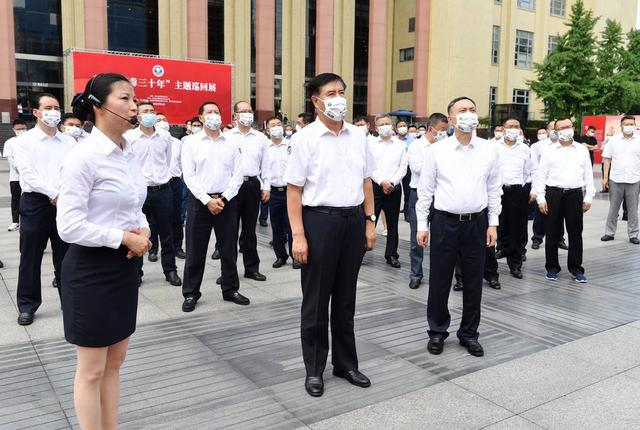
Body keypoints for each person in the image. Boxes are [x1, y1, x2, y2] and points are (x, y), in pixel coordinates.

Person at [57, 72, 152, 430]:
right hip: (90, 271)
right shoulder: (84, 157)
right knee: (92, 370)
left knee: (115, 362)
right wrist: (124, 238)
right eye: (125, 98)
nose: (134, 106)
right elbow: (68, 226)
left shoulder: (128, 153)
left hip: (124, 269)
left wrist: (143, 228)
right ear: (98, 107)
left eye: (135, 98)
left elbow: (133, 205)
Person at [285, 72, 376, 397]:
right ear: (316, 101)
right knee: (316, 300)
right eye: (331, 93)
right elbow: (293, 191)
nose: (338, 98)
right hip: (319, 222)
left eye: (342, 92)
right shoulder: (305, 139)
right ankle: (314, 369)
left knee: (346, 299)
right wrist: (298, 235)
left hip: (353, 221)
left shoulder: (358, 135)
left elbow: (366, 181)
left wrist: (369, 220)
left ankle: (346, 363)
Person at [416, 96, 501, 357]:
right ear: (451, 120)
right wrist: (422, 225)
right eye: (462, 110)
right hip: (444, 222)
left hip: (476, 223)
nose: (469, 114)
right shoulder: (436, 152)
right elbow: (425, 191)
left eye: (472, 110)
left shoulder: (489, 149)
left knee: (474, 281)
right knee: (440, 280)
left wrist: (493, 223)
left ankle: (469, 333)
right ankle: (437, 332)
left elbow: (494, 189)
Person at [13, 93, 74, 326]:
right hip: (36, 203)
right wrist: (54, 193)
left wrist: (63, 194)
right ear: (36, 112)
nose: (53, 111)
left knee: (66, 257)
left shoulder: (69, 141)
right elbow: (27, 174)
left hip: (64, 203)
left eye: (57, 107)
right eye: (48, 107)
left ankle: (69, 301)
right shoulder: (23, 142)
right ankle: (27, 305)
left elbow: (73, 171)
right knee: (30, 257)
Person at [181, 101, 248, 311]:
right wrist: (207, 200)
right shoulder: (191, 143)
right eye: (209, 112)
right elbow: (189, 176)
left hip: (226, 202)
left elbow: (238, 174)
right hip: (200, 202)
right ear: (201, 118)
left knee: (228, 249)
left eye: (217, 112)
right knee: (195, 250)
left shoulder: (231, 142)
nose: (214, 116)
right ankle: (191, 293)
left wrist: (224, 199)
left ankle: (230, 289)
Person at [125, 102, 182, 287]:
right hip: (140, 191)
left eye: (152, 111)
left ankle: (170, 270)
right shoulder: (129, 137)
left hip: (162, 190)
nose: (149, 114)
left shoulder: (165, 136)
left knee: (167, 232)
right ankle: (137, 272)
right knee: (139, 232)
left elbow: (166, 160)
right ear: (138, 116)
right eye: (145, 111)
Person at [532, 117, 595, 282]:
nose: (566, 129)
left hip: (574, 195)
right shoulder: (549, 150)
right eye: (561, 128)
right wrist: (541, 199)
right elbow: (540, 176)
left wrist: (588, 196)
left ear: (573, 128)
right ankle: (552, 267)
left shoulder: (581, 149)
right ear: (556, 131)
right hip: (553, 194)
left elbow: (588, 175)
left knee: (575, 233)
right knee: (552, 232)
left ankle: (576, 269)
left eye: (568, 126)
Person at [224, 101, 271, 282]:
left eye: (249, 111)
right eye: (242, 111)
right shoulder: (226, 137)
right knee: (229, 231)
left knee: (250, 230)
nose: (247, 114)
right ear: (235, 115)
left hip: (252, 186)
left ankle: (252, 268)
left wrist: (266, 186)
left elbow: (266, 165)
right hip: (231, 188)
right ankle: (228, 272)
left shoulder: (261, 138)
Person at [406, 112, 448, 289]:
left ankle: (441, 275)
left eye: (447, 130)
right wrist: (437, 167)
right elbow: (417, 169)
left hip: (441, 196)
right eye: (442, 130)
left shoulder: (447, 146)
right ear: (431, 129)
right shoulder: (416, 146)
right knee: (418, 236)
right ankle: (416, 274)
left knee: (442, 238)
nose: (445, 133)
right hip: (419, 194)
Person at [495, 118, 535, 279]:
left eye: (516, 127)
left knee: (517, 228)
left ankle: (515, 263)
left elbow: (530, 170)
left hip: (517, 190)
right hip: (497, 190)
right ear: (503, 129)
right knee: (497, 224)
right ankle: (497, 254)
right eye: (510, 126)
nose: (513, 129)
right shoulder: (493, 147)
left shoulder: (525, 149)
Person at [370, 113, 408, 268]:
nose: (385, 126)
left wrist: (391, 182)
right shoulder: (371, 144)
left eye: (387, 123)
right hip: (375, 187)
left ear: (392, 125)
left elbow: (403, 167)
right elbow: (369, 167)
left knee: (392, 224)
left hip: (394, 188)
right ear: (376, 127)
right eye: (381, 124)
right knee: (370, 220)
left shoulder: (400, 145)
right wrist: (382, 181)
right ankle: (362, 250)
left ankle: (391, 254)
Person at [264, 116, 298, 269]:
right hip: (273, 192)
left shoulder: (291, 145)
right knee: (276, 226)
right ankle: (280, 255)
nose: (276, 127)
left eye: (279, 124)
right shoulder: (265, 148)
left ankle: (295, 255)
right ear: (267, 129)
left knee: (292, 225)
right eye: (273, 125)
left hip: (290, 191)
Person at [529, 120, 568, 251]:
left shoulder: (564, 145)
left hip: (558, 184)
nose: (554, 131)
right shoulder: (537, 146)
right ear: (547, 130)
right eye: (551, 128)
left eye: (556, 128)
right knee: (540, 213)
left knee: (559, 213)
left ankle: (559, 239)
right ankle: (537, 238)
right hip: (542, 184)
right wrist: (535, 188)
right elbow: (534, 168)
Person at [601, 115, 640, 244]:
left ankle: (633, 234)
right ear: (621, 126)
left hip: (634, 179)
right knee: (613, 208)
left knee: (633, 209)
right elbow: (607, 159)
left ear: (635, 126)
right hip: (615, 179)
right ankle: (609, 233)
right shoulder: (613, 140)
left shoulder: (639, 140)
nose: (629, 126)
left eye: (631, 124)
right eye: (627, 124)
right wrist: (605, 177)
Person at [155, 113, 186, 258]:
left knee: (177, 217)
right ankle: (153, 248)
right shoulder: (152, 140)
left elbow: (182, 163)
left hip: (175, 182)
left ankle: (177, 246)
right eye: (159, 120)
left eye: (164, 120)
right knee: (154, 219)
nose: (162, 123)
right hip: (158, 183)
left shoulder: (177, 142)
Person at [3, 118, 28, 232]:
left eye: (23, 128)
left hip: (30, 177)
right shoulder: (10, 142)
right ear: (14, 130)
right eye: (19, 129)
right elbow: (10, 158)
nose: (21, 131)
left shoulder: (31, 141)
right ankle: (15, 221)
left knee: (29, 199)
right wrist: (20, 169)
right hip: (16, 177)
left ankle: (27, 220)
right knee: (16, 199)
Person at [396, 119, 414, 222]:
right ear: (396, 129)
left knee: (408, 191)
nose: (403, 127)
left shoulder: (413, 139)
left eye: (404, 125)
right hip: (396, 168)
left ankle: (407, 213)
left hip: (408, 168)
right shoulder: (394, 140)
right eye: (400, 126)